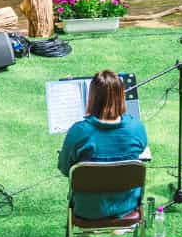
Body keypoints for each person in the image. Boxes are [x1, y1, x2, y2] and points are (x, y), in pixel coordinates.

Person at [58, 70, 149, 221]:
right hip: (127, 205)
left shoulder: (78, 131)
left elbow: (65, 169)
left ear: (92, 97)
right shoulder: (136, 127)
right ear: (121, 96)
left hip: (87, 209)